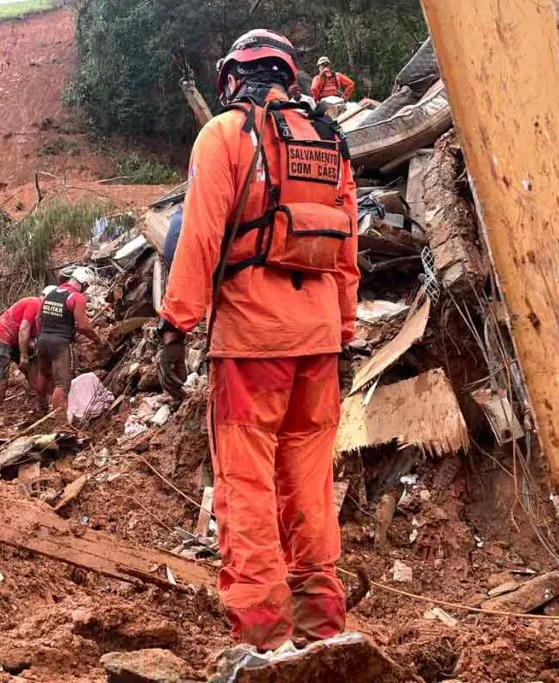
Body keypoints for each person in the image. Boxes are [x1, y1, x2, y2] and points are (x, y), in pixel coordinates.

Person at [156, 30, 359, 652]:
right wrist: (344, 336)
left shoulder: (224, 136)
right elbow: (347, 253)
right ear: (289, 77)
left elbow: (199, 236)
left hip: (251, 344)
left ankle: (265, 636)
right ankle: (321, 626)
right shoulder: (330, 142)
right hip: (318, 344)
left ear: (230, 80)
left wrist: (176, 325)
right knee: (311, 484)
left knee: (246, 486)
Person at [35, 267, 104, 415]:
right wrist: (97, 339)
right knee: (63, 382)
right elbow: (83, 326)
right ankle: (59, 420)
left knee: (43, 373)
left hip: (43, 339)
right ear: (84, 284)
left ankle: (41, 408)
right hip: (61, 343)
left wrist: (42, 334)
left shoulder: (51, 293)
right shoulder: (76, 297)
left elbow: (38, 318)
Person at [0, 285, 56, 409]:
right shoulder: (35, 304)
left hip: (15, 339)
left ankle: (39, 399)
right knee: (1, 373)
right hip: (0, 335)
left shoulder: (42, 312)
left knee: (33, 364)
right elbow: (24, 330)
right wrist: (23, 356)